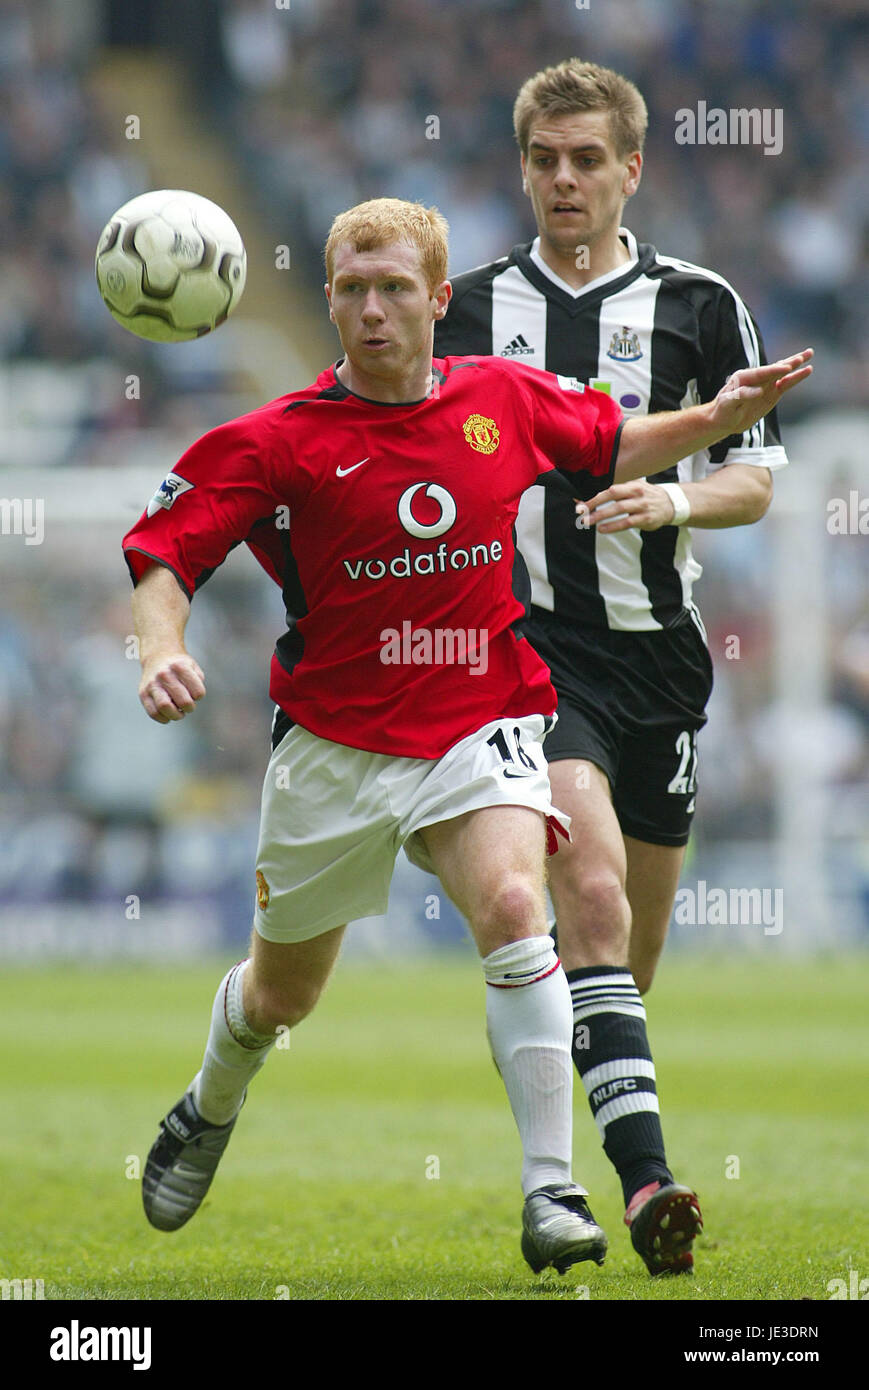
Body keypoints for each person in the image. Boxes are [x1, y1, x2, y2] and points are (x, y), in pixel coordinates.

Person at [123, 196, 810, 1277]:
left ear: (439, 299)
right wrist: (159, 646)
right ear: (330, 300)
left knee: (508, 903)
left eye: (394, 287)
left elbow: (615, 438)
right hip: (334, 744)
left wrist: (717, 414)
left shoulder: (499, 395)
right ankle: (209, 1104)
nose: (372, 308)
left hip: (478, 713)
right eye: (350, 288)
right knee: (279, 995)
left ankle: (551, 1191)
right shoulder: (277, 439)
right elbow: (167, 554)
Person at [434, 58, 795, 1274]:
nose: (563, 180)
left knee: (626, 961)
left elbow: (752, 480)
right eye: (543, 159)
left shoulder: (699, 304)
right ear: (522, 166)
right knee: (583, 901)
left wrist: (673, 498)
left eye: (587, 159)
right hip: (532, 654)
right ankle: (642, 1189)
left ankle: (592, 1127)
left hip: (661, 662)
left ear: (630, 168)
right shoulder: (469, 312)